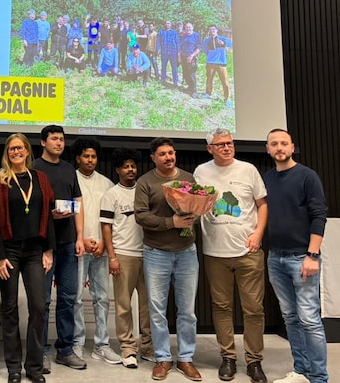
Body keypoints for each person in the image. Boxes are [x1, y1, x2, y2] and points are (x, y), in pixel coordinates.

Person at [194, 128, 268, 383]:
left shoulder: (248, 169)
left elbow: (262, 204)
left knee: (254, 309)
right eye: (220, 144)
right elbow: (197, 204)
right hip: (215, 253)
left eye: (229, 143)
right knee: (222, 307)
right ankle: (228, 357)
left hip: (249, 252)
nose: (226, 147)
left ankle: (254, 360)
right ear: (210, 149)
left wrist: (258, 234)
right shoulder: (201, 172)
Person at [0, 134, 55, 383]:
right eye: (12, 148)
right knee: (10, 308)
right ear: (7, 153)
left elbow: (48, 215)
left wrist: (49, 250)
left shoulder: (40, 178)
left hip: (35, 251)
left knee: (38, 307)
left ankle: (34, 367)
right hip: (9, 251)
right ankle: (13, 367)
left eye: (20, 147)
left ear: (27, 151)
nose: (16, 152)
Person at [264, 129, 329, 383]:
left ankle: (319, 378)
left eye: (284, 143)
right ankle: (301, 372)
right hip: (275, 258)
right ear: (268, 149)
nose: (279, 147)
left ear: (292, 147)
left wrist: (312, 254)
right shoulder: (267, 179)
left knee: (309, 320)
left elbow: (319, 215)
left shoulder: (307, 176)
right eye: (274, 144)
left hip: (302, 257)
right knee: (290, 318)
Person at [134, 137, 201, 382]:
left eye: (171, 152)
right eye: (162, 154)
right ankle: (162, 358)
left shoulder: (188, 178)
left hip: (187, 252)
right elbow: (140, 216)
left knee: (188, 311)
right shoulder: (145, 182)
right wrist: (170, 222)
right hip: (156, 253)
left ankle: (185, 358)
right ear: (153, 158)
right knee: (157, 311)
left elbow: (198, 206)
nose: (168, 157)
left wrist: (193, 216)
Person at [33, 125, 86, 372]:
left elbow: (78, 202)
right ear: (43, 142)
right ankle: (40, 352)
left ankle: (65, 350)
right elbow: (29, 206)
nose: (59, 143)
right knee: (42, 301)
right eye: (54, 139)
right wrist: (49, 215)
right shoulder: (34, 168)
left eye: (62, 139)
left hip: (68, 243)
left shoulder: (68, 169)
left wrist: (80, 236)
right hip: (43, 245)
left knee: (68, 299)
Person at [71, 138, 121, 364]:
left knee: (101, 298)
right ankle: (76, 343)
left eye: (93, 156)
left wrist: (103, 243)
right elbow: (69, 214)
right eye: (86, 156)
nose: (90, 160)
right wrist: (81, 239)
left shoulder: (107, 183)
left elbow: (111, 218)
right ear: (78, 158)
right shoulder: (71, 179)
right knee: (76, 299)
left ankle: (102, 345)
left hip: (101, 249)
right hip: (79, 248)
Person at [100, 148, 151, 369]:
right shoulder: (111, 194)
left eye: (133, 166)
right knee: (123, 306)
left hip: (149, 254)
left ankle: (148, 347)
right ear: (117, 170)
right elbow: (106, 227)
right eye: (125, 166)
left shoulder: (145, 190)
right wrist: (112, 256)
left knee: (149, 306)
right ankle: (128, 349)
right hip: (123, 254)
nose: (130, 169)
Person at [202, 25, 233, 107]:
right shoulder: (207, 40)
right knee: (209, 79)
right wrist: (210, 56)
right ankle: (208, 93)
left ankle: (227, 99)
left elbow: (231, 44)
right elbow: (205, 50)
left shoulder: (222, 38)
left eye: (213, 29)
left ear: (216, 30)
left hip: (221, 63)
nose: (212, 31)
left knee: (225, 82)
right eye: (210, 30)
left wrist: (224, 44)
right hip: (210, 63)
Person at [180, 23, 202, 98]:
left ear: (192, 28)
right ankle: (189, 87)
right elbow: (181, 46)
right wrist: (179, 56)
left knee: (192, 74)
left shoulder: (196, 35)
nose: (188, 29)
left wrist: (192, 56)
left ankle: (194, 91)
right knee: (185, 73)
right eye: (186, 27)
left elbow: (199, 47)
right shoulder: (184, 36)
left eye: (189, 27)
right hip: (183, 56)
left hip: (192, 57)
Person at [157, 20, 180, 87]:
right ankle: (163, 80)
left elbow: (178, 42)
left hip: (173, 52)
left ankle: (175, 82)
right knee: (163, 67)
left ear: (171, 24)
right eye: (166, 23)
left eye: (168, 23)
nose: (167, 24)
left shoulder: (174, 32)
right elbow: (158, 41)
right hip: (164, 52)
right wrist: (158, 49)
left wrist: (178, 52)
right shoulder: (161, 32)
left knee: (174, 68)